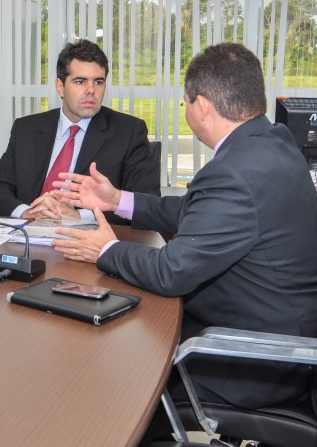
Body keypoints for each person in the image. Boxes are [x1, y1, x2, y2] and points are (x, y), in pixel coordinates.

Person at [50, 43, 317, 415]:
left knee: (116, 374)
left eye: (185, 103)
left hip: (257, 362)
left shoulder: (234, 172)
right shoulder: (274, 143)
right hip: (284, 331)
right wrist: (118, 200)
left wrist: (105, 250)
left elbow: (170, 272)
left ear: (202, 106)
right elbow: (202, 212)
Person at [0, 39, 160, 223]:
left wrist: (78, 216)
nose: (91, 90)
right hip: (28, 238)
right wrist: (28, 212)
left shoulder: (128, 132)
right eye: (80, 81)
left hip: (87, 244)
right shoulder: (26, 129)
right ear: (60, 87)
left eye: (98, 82)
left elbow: (146, 202)